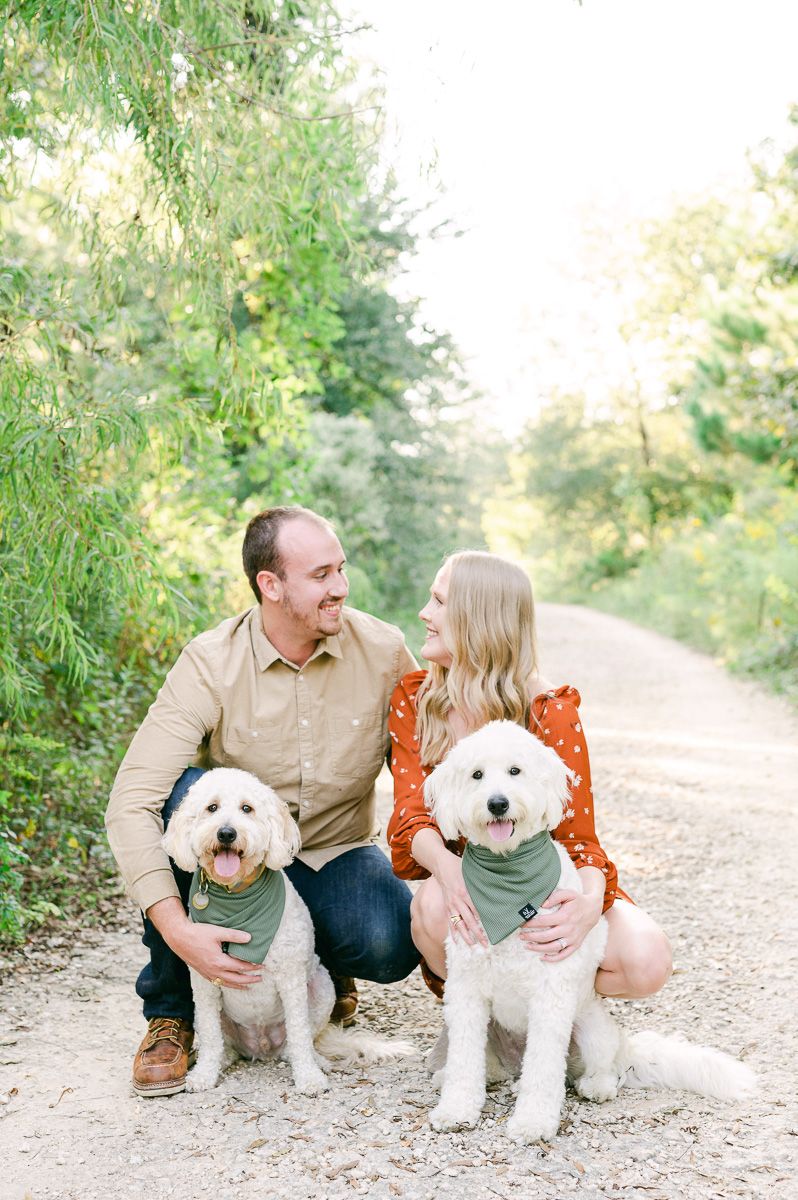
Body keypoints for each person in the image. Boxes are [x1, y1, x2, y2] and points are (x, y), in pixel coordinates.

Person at [106, 506, 419, 1096]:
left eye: (341, 570)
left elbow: (434, 764)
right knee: (182, 798)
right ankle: (172, 1012)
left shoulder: (383, 650)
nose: (341, 588)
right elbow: (131, 803)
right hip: (230, 863)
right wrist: (175, 926)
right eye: (321, 575)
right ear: (269, 586)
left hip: (333, 851)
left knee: (387, 941)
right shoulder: (211, 661)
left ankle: (318, 974)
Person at [387, 550, 672, 1001]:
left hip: (542, 875)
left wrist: (587, 904)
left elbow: (579, 840)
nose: (424, 614)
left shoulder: (551, 711)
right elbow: (411, 816)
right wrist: (448, 871)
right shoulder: (414, 699)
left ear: (476, 619)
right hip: (470, 877)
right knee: (431, 908)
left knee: (646, 960)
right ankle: (481, 1020)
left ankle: (551, 1014)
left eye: (439, 603)